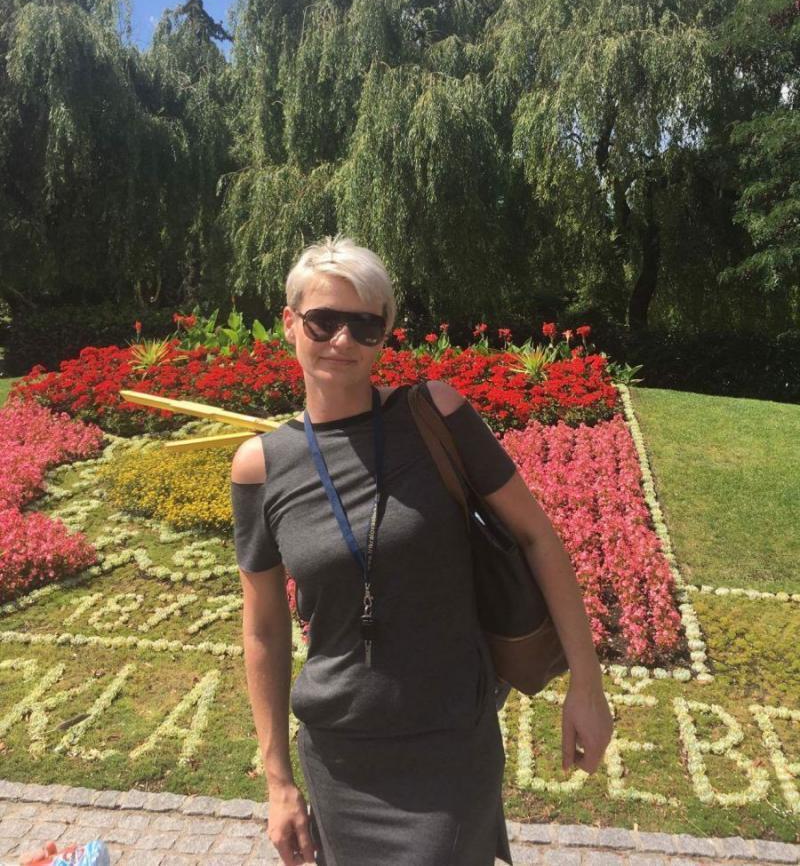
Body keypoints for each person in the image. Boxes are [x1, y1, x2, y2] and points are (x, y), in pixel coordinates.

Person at [231, 236, 613, 866]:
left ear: (384, 334)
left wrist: (587, 686)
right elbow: (264, 629)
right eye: (323, 321)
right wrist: (278, 783)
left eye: (365, 325)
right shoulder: (261, 468)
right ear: (290, 323)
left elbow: (536, 536)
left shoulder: (434, 413)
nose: (343, 341)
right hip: (339, 753)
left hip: (450, 739)